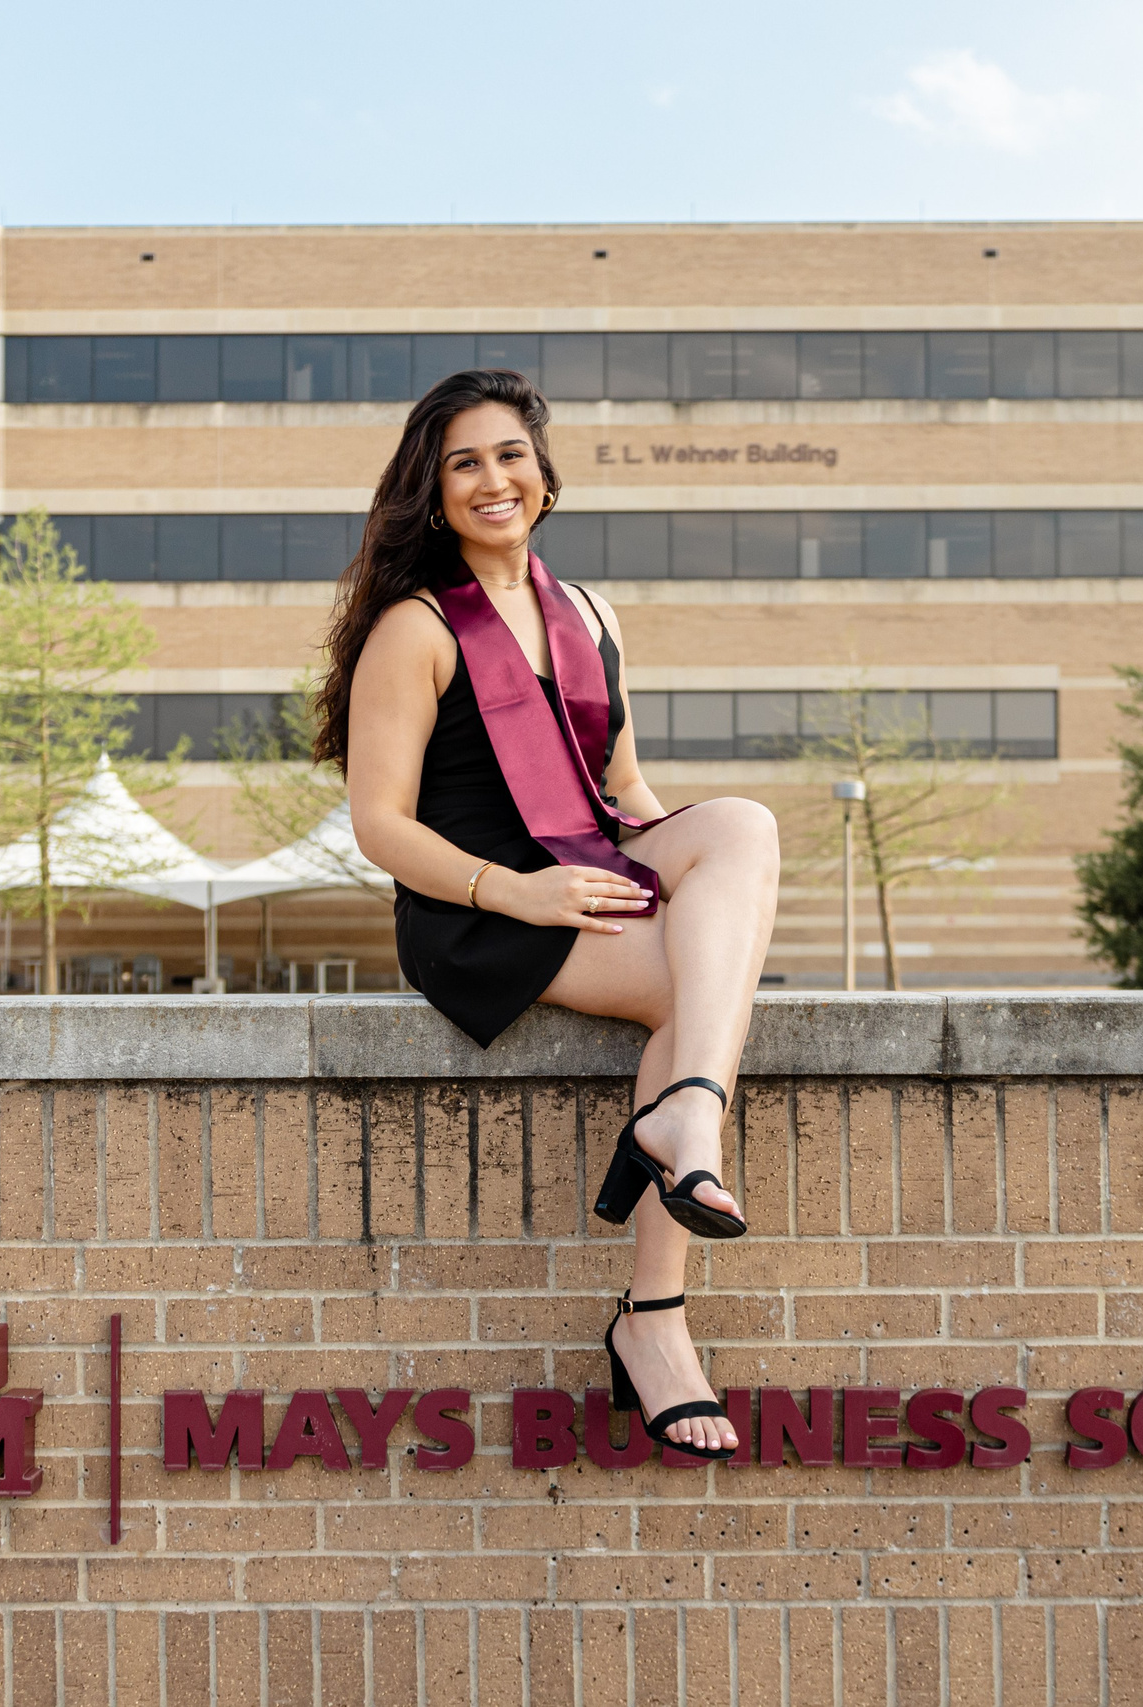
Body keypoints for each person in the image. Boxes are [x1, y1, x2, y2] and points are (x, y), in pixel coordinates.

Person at [318, 368, 781, 1460]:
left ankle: (683, 1123)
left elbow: (626, 794)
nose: (493, 479)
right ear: (432, 495)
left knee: (746, 830)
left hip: (588, 873)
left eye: (509, 454)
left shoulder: (590, 614)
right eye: (464, 463)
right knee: (694, 994)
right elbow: (378, 825)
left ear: (544, 472)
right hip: (481, 907)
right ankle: (655, 1316)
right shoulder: (415, 630)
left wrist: (705, 899)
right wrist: (515, 887)